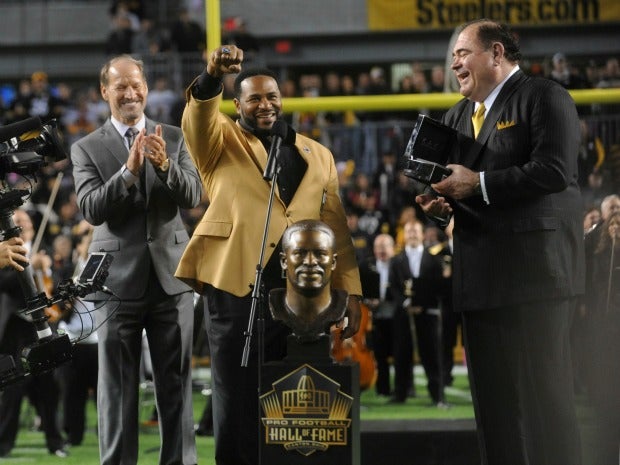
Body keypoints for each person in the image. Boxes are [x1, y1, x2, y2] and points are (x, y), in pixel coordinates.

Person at [174, 44, 362, 465]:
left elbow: (336, 229)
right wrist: (210, 78)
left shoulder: (318, 153)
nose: (265, 104)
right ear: (237, 103)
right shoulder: (219, 141)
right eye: (254, 97)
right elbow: (198, 117)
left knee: (297, 399)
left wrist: (350, 291)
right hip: (236, 285)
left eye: (272, 96)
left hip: (302, 295)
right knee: (237, 397)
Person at [415, 19, 584, 464]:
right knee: (494, 412)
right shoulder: (454, 116)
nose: (454, 62)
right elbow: (455, 188)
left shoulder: (545, 96)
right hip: (478, 280)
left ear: (496, 53)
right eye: (452, 55)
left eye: (462, 52)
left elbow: (555, 171)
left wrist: (479, 184)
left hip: (536, 279)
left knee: (546, 402)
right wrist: (439, 208)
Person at [70, 54, 202, 465]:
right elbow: (92, 209)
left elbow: (193, 197)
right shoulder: (86, 148)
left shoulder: (176, 139)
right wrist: (127, 173)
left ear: (146, 87)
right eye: (120, 86)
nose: (130, 93)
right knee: (117, 389)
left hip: (171, 280)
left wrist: (164, 165)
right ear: (104, 92)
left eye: (136, 84)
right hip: (114, 287)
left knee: (176, 383)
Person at [0, 210, 67, 458]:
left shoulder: (44, 250)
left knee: (49, 387)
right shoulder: (4, 251)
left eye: (26, 222)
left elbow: (57, 283)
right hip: (16, 327)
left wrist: (46, 270)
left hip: (41, 328)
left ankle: (56, 442)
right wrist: (28, 267)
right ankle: (4, 444)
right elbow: (4, 284)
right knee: (14, 388)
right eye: (18, 222)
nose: (22, 225)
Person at [389, 220, 444, 405]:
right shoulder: (396, 260)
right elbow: (394, 287)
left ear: (422, 234)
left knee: (431, 355)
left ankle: (437, 396)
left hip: (427, 314)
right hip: (403, 315)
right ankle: (400, 395)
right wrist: (406, 303)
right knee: (401, 355)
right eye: (409, 231)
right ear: (404, 235)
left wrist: (423, 304)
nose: (412, 234)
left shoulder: (434, 258)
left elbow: (438, 286)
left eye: (415, 231)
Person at [269, 220, 347, 341]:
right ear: (284, 261)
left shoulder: (342, 303)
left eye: (320, 254)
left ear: (333, 262)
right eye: (299, 253)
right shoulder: (273, 306)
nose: (310, 262)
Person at [359, 233, 396, 397]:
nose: (381, 250)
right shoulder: (366, 266)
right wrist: (369, 300)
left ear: (392, 248)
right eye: (378, 247)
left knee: (401, 354)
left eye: (385, 246)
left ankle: (406, 388)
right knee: (380, 354)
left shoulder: (399, 264)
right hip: (374, 317)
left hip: (395, 315)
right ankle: (383, 389)